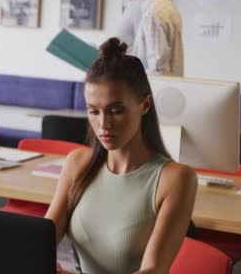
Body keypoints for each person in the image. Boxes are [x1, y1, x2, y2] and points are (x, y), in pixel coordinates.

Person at [46, 38, 197, 274]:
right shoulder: (77, 163)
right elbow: (40, 244)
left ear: (145, 105)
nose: (103, 124)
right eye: (93, 111)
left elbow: (154, 270)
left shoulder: (176, 179)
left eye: (116, 110)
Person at [131, 0, 184, 76]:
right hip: (173, 91)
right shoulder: (170, 8)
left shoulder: (153, 12)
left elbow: (159, 71)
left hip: (157, 94)